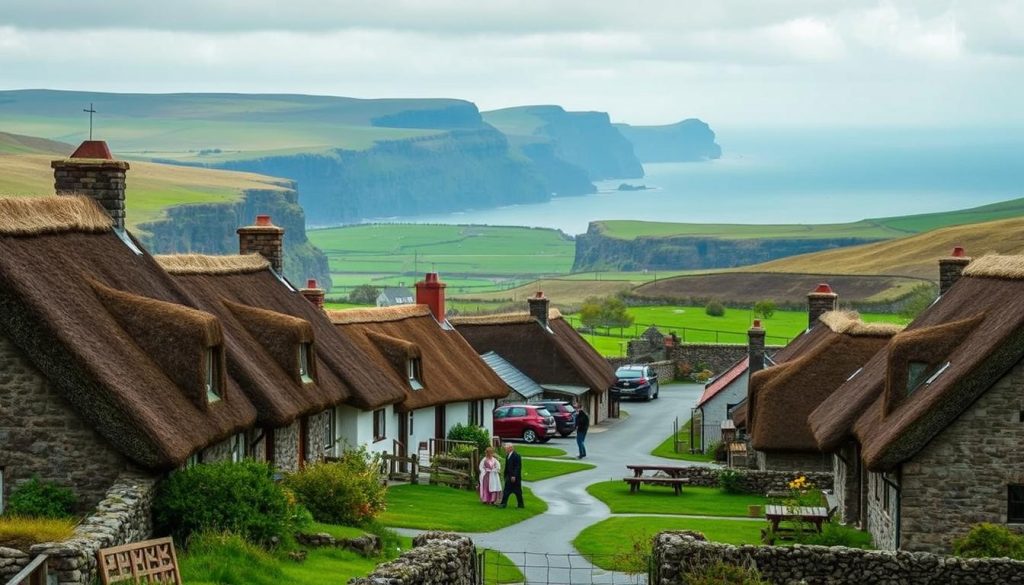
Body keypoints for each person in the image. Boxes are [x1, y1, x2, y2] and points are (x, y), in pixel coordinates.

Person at [498, 443, 523, 508]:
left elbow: (517, 467)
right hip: (509, 476)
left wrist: (514, 475)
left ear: (511, 448)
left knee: (518, 492)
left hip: (514, 477)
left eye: (506, 448)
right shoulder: (508, 455)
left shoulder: (516, 456)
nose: (505, 449)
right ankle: (503, 503)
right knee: (506, 490)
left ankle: (520, 504)